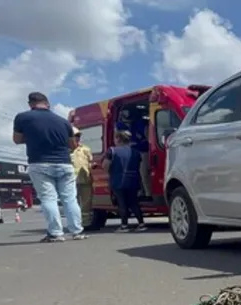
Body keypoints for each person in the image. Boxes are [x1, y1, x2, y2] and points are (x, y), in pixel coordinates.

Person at [12, 91, 87, 242]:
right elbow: (72, 146)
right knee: (70, 199)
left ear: (30, 104)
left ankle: (56, 233)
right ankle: (77, 232)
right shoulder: (64, 121)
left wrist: (33, 138)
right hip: (64, 163)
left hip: (39, 163)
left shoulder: (22, 118)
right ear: (48, 104)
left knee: (48, 199)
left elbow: (17, 140)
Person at [103, 130, 146, 232]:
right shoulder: (135, 152)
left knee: (122, 203)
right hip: (133, 180)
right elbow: (139, 165)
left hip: (118, 181)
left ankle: (124, 225)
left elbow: (105, 165)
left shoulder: (112, 151)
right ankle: (141, 224)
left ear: (118, 139)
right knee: (134, 202)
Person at [69, 126, 94, 228]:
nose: (77, 138)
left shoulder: (85, 149)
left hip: (85, 179)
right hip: (71, 180)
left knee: (86, 203)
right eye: (75, 136)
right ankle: (74, 224)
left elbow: (90, 162)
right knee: (72, 202)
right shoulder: (65, 150)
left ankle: (86, 224)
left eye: (78, 136)